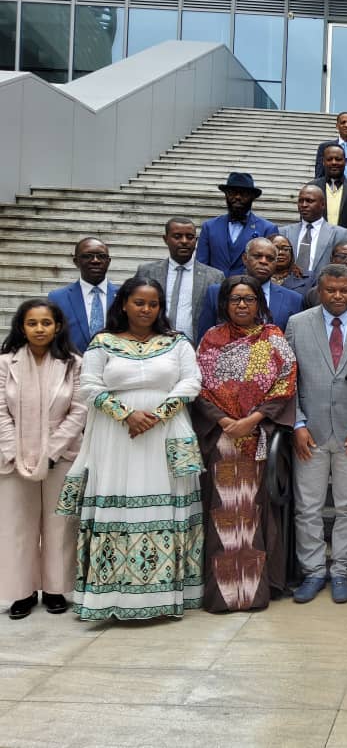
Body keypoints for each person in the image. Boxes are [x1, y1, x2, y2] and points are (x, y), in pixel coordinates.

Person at [57, 277, 204, 620]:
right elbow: (89, 386)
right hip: (116, 437)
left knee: (165, 504)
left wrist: (158, 413)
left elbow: (190, 381)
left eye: (153, 304)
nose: (147, 310)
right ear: (123, 303)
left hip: (165, 432)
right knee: (118, 505)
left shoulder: (177, 342)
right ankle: (110, 597)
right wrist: (125, 415)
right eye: (139, 302)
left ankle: (163, 597)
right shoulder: (103, 343)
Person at [193, 275, 297, 612]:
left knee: (254, 515)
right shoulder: (211, 339)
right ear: (224, 303)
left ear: (259, 303)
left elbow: (285, 384)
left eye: (248, 299)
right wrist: (225, 422)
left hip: (258, 441)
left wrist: (251, 421)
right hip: (221, 442)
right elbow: (200, 386)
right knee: (223, 514)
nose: (241, 305)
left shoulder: (274, 338)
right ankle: (221, 595)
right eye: (235, 299)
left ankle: (254, 591)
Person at [287, 265, 347, 605]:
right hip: (309, 434)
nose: (338, 296)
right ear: (320, 290)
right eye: (331, 291)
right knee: (308, 507)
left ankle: (341, 570)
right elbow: (289, 383)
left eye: (345, 291)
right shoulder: (298, 325)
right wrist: (297, 425)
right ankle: (313, 571)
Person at [0, 299, 87, 619]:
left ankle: (55, 589)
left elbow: (79, 411)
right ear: (21, 327)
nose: (39, 329)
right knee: (16, 526)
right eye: (32, 323)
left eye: (46, 323)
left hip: (61, 456)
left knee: (60, 525)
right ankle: (21, 593)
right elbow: (0, 412)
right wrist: (14, 451)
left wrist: (52, 452)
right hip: (11, 459)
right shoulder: (5, 362)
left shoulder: (73, 364)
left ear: (58, 326)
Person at [137, 218, 225, 345]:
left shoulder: (214, 276)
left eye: (190, 237)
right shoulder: (147, 272)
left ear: (196, 240)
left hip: (196, 349)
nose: (184, 241)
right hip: (151, 346)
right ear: (165, 239)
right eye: (177, 236)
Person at [196, 237, 303, 338]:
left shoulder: (294, 300)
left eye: (270, 258)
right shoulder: (216, 293)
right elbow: (204, 339)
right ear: (245, 259)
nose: (263, 261)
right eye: (257, 256)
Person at [196, 172, 278, 277]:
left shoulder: (267, 229)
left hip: (249, 290)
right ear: (226, 195)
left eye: (243, 193)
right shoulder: (209, 227)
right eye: (232, 192)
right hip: (215, 290)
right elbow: (201, 266)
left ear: (252, 197)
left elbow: (270, 267)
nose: (237, 197)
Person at [48, 237, 119, 353]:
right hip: (72, 367)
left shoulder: (124, 296)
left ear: (108, 261)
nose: (95, 260)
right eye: (87, 256)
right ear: (76, 262)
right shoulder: (57, 298)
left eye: (101, 256)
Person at [278, 185, 347, 283]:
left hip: (322, 290)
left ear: (322, 205)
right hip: (288, 288)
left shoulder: (340, 234)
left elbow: (344, 269)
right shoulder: (283, 232)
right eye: (301, 201)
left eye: (309, 201)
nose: (304, 205)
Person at [311, 144, 347, 229]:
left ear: (346, 161)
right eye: (329, 159)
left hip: (346, 240)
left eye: (338, 159)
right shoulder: (312, 188)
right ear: (323, 162)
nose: (334, 162)